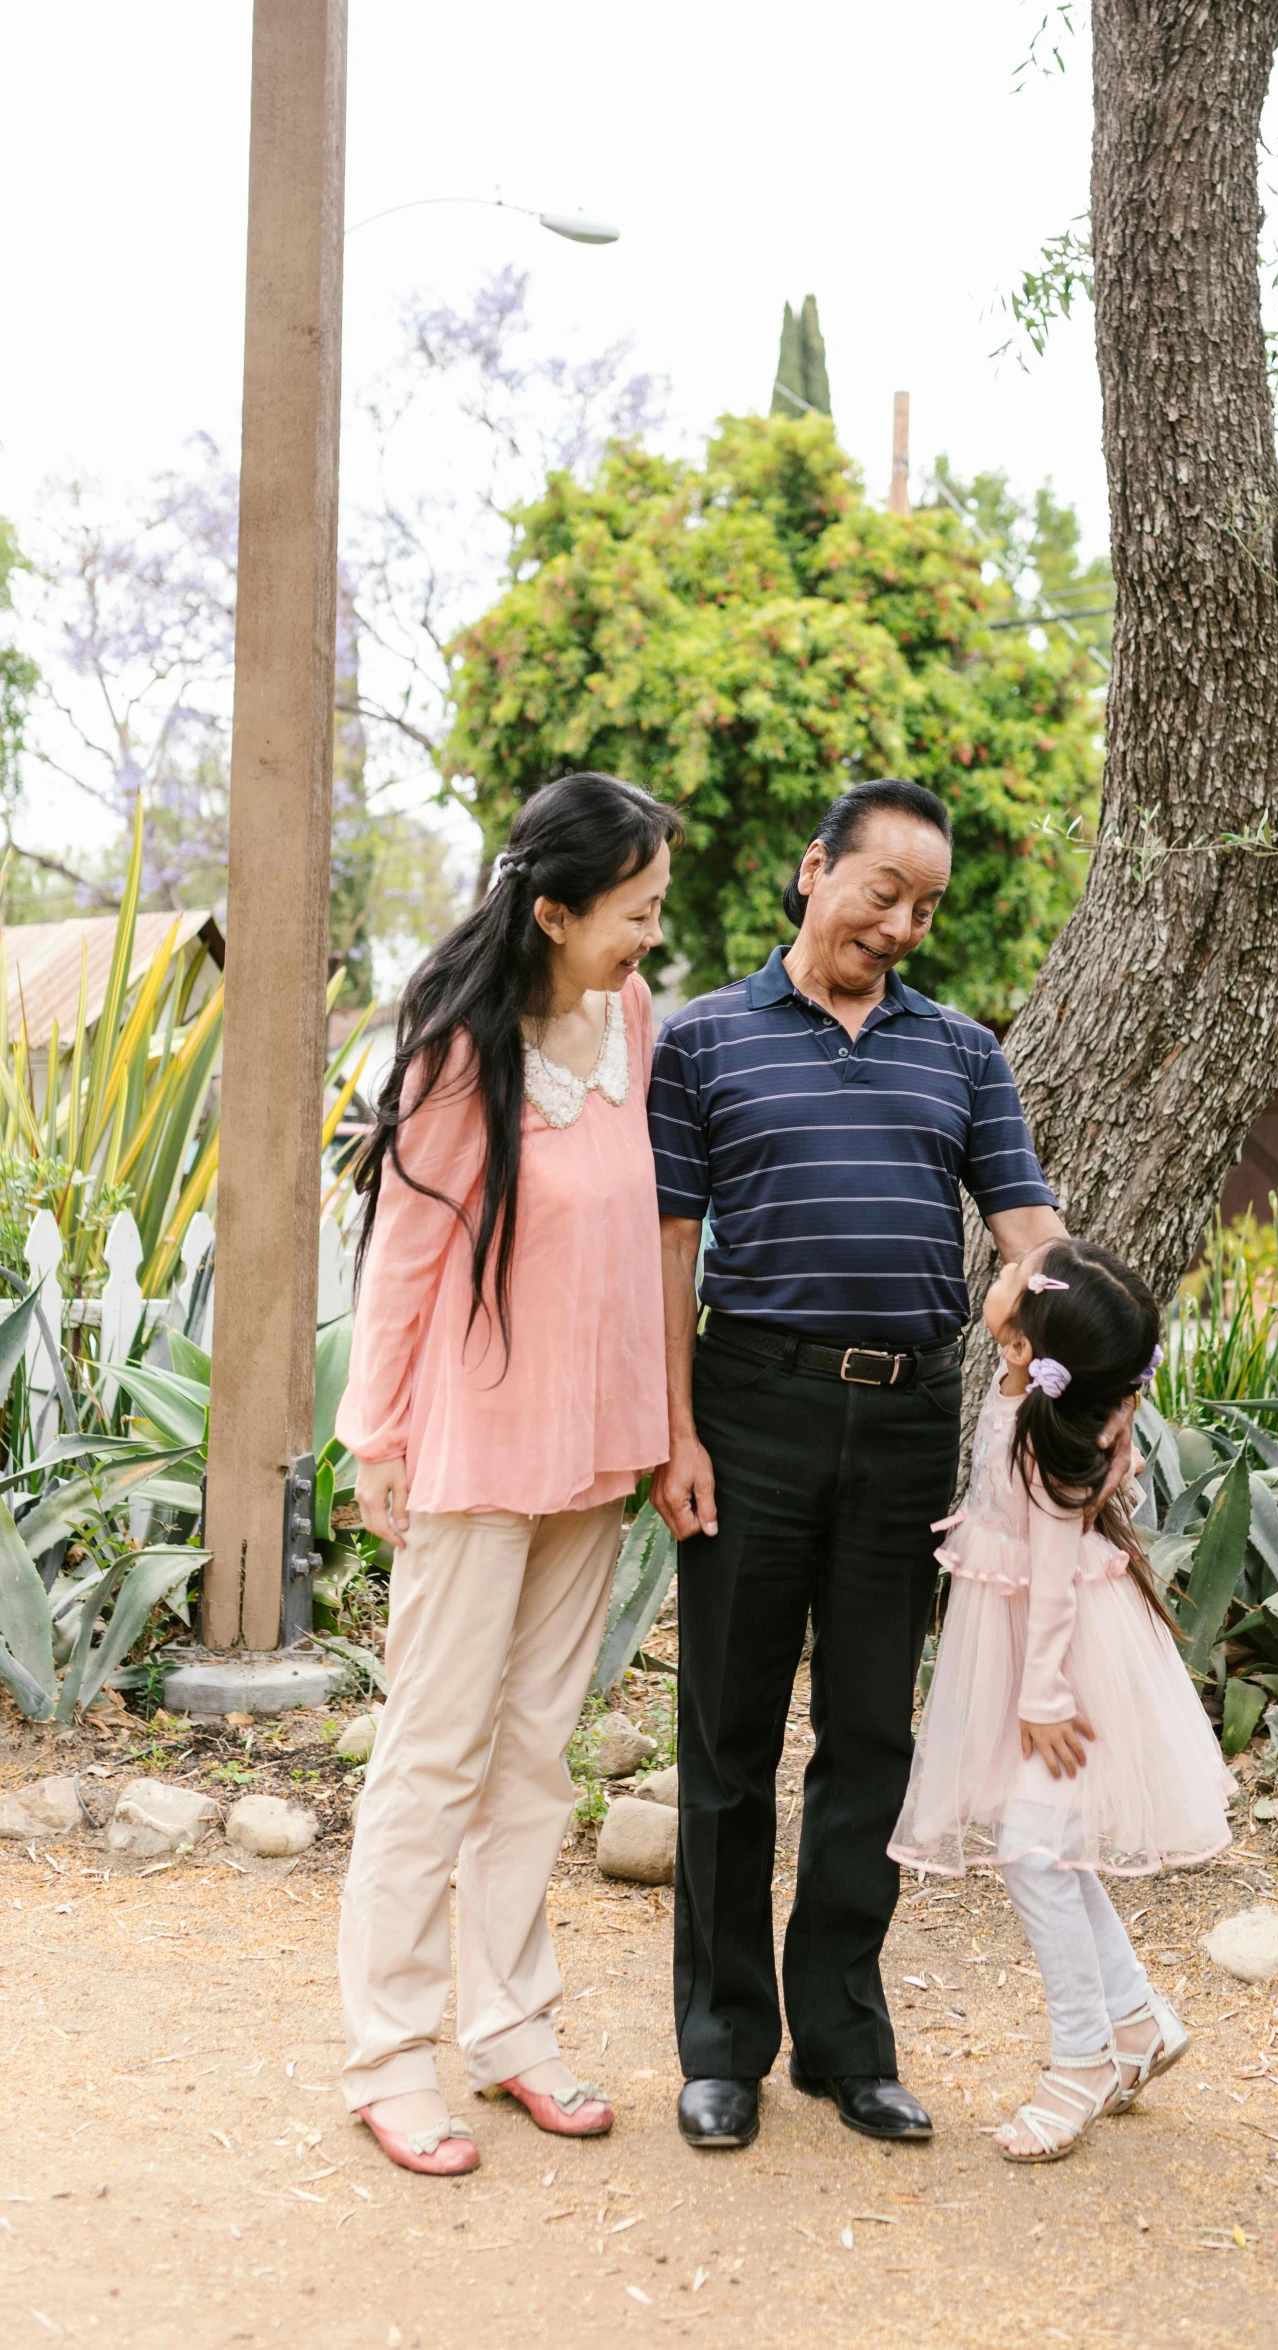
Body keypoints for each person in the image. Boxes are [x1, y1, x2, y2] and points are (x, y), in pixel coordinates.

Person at [647, 776, 1068, 2152]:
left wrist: (1078, 1338)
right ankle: (720, 2044)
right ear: (815, 868)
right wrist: (676, 1429)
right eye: (881, 892)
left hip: (900, 1424)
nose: (900, 924)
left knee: (871, 1738)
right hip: (746, 1408)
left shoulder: (959, 1051)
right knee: (726, 1737)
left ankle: (840, 2035)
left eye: (924, 906)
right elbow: (664, 1248)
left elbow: (1027, 1230)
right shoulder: (702, 1037)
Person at [335, 772, 680, 2178]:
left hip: (591, 1449)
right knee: (431, 1756)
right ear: (551, 910)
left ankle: (511, 2029)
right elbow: (400, 1267)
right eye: (632, 912)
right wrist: (377, 1440)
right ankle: (387, 2057)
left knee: (535, 1754)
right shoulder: (455, 1055)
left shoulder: (632, 1023)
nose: (650, 937)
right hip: (474, 1449)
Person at [890, 1237, 1235, 2162]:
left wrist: (1039, 1696)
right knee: (1045, 1845)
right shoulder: (1034, 1399)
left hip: (1062, 1664)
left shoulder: (1051, 1446)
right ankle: (1134, 2021)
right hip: (1021, 1650)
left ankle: (1080, 2056)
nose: (1005, 1264)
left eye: (1016, 1272)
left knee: (1033, 1850)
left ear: (1020, 1345)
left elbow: (1047, 1581)